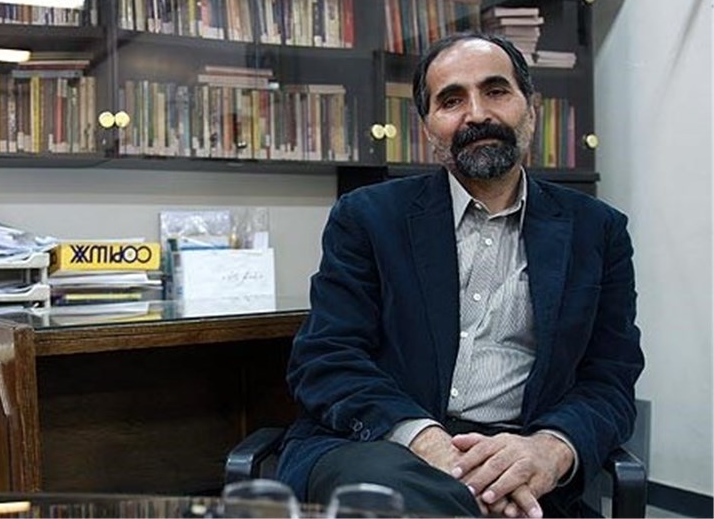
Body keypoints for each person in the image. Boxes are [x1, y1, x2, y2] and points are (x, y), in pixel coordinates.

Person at [275, 31, 644, 518]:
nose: (476, 114)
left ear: (530, 109)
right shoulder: (367, 218)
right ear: (428, 128)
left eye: (496, 91)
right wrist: (430, 443)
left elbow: (609, 379)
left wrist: (549, 450)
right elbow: (327, 359)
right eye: (451, 100)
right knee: (399, 496)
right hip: (383, 446)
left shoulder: (597, 230)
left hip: (518, 463)